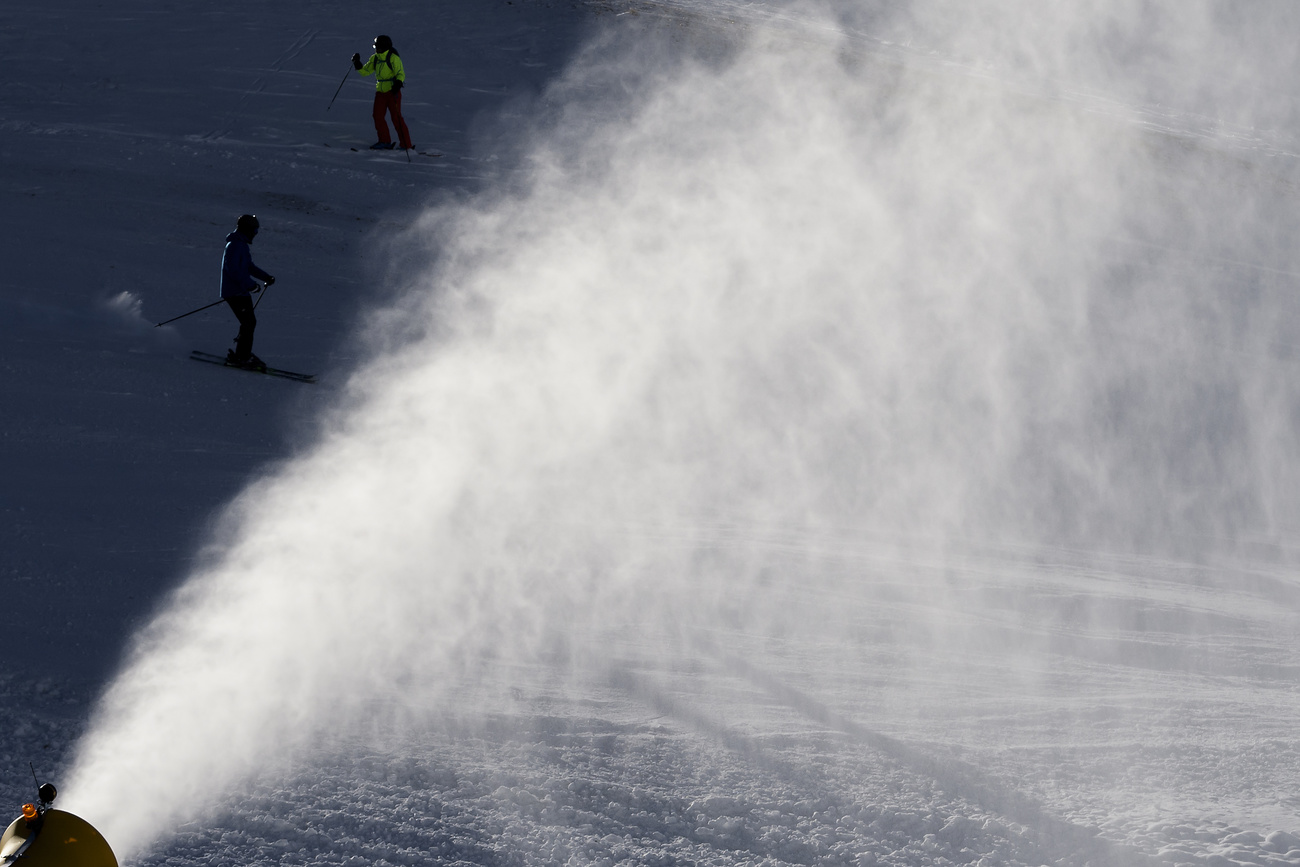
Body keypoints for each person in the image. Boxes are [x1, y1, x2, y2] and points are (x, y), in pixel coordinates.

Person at [220, 214, 275, 370]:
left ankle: (242, 354)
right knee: (249, 322)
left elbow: (248, 267)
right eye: (254, 230)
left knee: (249, 323)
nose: (255, 233)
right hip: (234, 292)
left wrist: (265, 277)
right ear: (247, 229)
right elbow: (233, 270)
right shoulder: (235, 245)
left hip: (241, 291)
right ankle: (242, 357)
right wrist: (250, 285)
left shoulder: (242, 245)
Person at [351, 35, 413, 151]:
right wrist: (357, 63)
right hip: (380, 92)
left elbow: (400, 73)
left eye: (378, 47)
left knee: (396, 118)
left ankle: (406, 145)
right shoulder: (375, 58)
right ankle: (384, 141)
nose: (376, 49)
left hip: (392, 92)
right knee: (377, 116)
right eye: (376, 46)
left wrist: (398, 83)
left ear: (385, 47)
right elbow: (365, 72)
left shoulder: (393, 58)